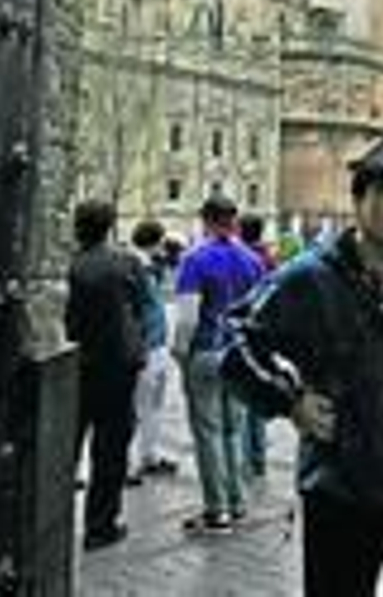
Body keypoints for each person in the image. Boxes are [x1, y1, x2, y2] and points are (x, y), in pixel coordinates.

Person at [221, 166, 383, 596]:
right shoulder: (310, 277)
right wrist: (290, 400)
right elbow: (236, 340)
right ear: (358, 200)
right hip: (339, 488)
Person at [173, 193, 264, 536]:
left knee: (208, 432)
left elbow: (186, 319)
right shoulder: (252, 259)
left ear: (206, 219)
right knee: (233, 429)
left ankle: (217, 509)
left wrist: (181, 355)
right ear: (233, 219)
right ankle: (237, 502)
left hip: (207, 352)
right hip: (238, 352)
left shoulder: (195, 259)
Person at [64, 199, 147, 551]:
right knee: (111, 449)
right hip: (119, 365)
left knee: (66, 442)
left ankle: (51, 521)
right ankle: (100, 526)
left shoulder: (70, 265)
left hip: (77, 362)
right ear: (111, 225)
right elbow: (142, 304)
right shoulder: (127, 262)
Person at [128, 218, 178, 480]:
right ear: (155, 241)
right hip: (145, 347)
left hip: (157, 346)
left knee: (154, 404)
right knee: (137, 406)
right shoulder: (134, 266)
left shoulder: (150, 266)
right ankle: (130, 463)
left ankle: (150, 455)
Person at [237, 212, 279, 480]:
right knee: (259, 400)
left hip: (245, 332)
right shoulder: (269, 259)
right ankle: (259, 459)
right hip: (266, 333)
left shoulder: (243, 258)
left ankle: (248, 462)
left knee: (244, 401)